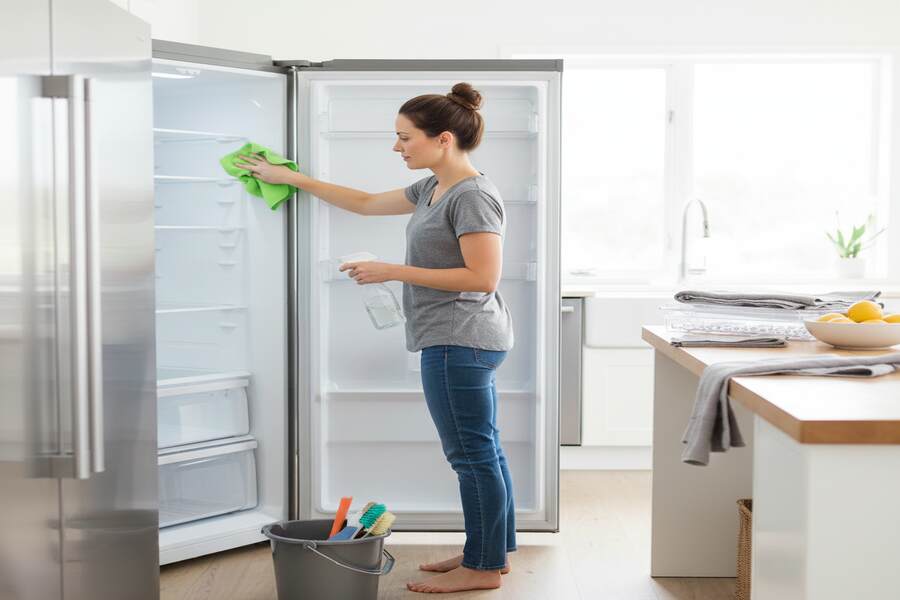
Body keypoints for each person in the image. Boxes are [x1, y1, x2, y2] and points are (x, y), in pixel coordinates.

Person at [236, 82, 516, 594]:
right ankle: (491, 551)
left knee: (471, 455)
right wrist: (289, 178)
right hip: (460, 338)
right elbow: (364, 203)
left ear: (444, 139)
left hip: (462, 340)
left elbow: (482, 277)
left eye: (405, 137)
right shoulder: (434, 188)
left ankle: (482, 568)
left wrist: (391, 269)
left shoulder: (472, 195)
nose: (397, 147)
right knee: (485, 451)